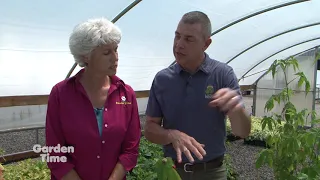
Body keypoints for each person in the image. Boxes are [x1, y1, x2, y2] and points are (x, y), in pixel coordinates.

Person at [144, 11, 251, 180]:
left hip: (212, 173)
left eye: (188, 39)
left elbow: (243, 132)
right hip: (173, 172)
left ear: (206, 44)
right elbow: (149, 128)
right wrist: (172, 135)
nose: (179, 44)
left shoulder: (222, 74)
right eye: (177, 36)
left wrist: (237, 110)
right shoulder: (163, 79)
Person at [45, 17, 141, 180]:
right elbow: (55, 152)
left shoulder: (126, 94)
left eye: (116, 49)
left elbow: (130, 149)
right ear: (86, 56)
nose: (115, 57)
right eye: (106, 52)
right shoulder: (61, 94)